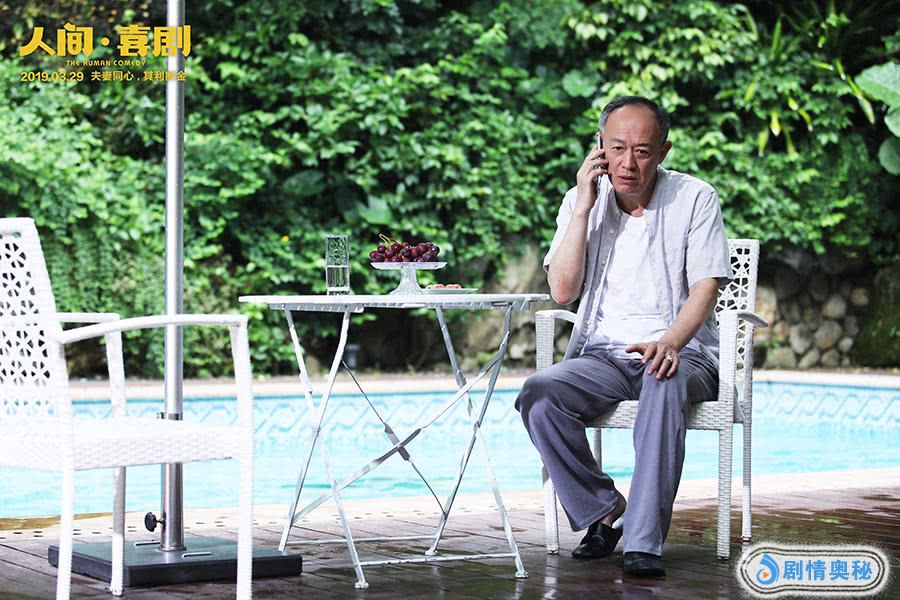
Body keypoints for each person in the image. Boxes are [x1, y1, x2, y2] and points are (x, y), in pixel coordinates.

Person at [516, 96, 732, 577]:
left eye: (642, 151)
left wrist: (671, 342)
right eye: (616, 148)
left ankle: (642, 540)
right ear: (599, 147)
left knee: (661, 376)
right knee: (539, 394)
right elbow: (563, 291)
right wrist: (582, 209)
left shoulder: (695, 198)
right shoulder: (580, 201)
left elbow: (706, 287)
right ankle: (604, 508)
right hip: (604, 357)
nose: (628, 163)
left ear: (663, 151)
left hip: (684, 353)